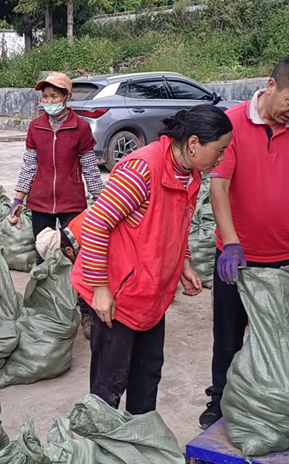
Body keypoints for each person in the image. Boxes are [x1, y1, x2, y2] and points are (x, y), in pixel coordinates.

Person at [199, 55, 289, 429]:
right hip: (238, 259)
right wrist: (230, 243)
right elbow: (219, 186)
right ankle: (220, 402)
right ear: (271, 85)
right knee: (227, 338)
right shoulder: (233, 123)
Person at [71, 105, 233, 415]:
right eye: (220, 149)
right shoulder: (141, 170)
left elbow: (177, 223)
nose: (222, 158)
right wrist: (99, 289)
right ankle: (100, 453)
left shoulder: (190, 174)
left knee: (147, 373)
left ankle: (139, 446)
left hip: (151, 294)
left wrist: (183, 261)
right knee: (110, 382)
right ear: (194, 143)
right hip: (117, 294)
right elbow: (95, 225)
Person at [9, 71, 104, 338]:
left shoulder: (80, 128)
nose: (49, 100)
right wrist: (18, 200)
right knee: (43, 256)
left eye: (54, 96)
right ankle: (46, 311)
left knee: (78, 256)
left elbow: (90, 168)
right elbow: (29, 165)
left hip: (72, 202)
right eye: (45, 96)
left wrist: (99, 200)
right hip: (39, 202)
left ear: (66, 97)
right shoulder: (35, 127)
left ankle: (85, 311)